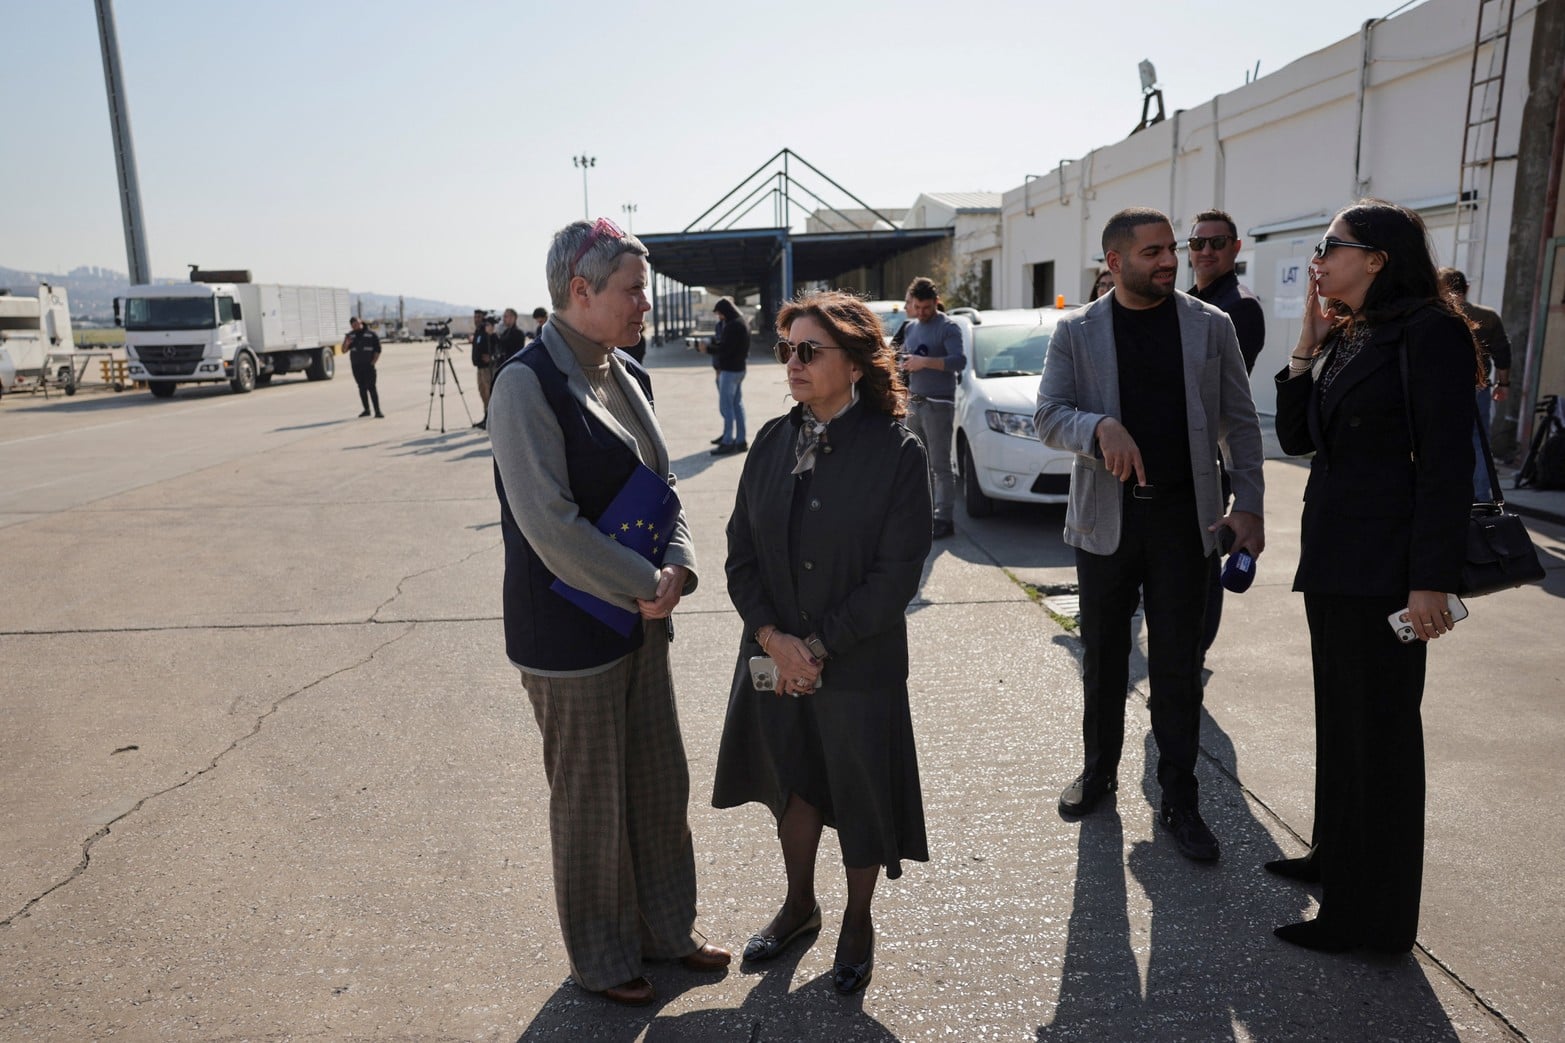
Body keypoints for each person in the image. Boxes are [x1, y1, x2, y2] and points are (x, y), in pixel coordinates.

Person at [488, 217, 730, 1006]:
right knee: (593, 804)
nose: (645, 305)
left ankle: (666, 931)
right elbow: (549, 526)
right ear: (579, 291)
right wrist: (640, 577)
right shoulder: (526, 385)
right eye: (632, 291)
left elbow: (662, 493)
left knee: (660, 785)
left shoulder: (626, 374)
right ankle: (601, 956)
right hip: (568, 634)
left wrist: (681, 565)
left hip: (641, 619)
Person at [1271, 200, 1480, 953]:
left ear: (1378, 258)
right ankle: (1334, 859)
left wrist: (1430, 580)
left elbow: (1445, 466)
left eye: (1330, 246)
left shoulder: (1431, 334)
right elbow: (1298, 437)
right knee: (1342, 723)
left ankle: (1373, 918)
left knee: (1381, 741)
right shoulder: (1356, 333)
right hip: (1333, 561)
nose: (1318, 259)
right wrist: (1306, 344)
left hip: (1388, 573)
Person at [712, 290, 932, 996]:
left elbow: (895, 574)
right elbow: (739, 553)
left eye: (809, 350)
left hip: (859, 664)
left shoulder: (897, 450)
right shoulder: (773, 442)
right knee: (793, 784)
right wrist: (775, 640)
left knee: (860, 794)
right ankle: (798, 903)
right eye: (786, 350)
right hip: (777, 658)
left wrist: (817, 647)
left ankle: (857, 916)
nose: (792, 364)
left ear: (857, 361)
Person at [1035, 206, 1265, 862]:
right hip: (1104, 523)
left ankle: (1179, 795)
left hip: (1183, 520)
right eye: (1152, 252)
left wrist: (1246, 502)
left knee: (1175, 666)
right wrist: (1098, 426)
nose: (1169, 261)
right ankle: (1099, 772)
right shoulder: (1076, 331)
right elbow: (1048, 416)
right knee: (1104, 659)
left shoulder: (1209, 325)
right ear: (1113, 262)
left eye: (1173, 249)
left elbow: (1239, 423)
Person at [1186, 209, 1267, 663]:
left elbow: (1230, 405)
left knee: (1204, 560)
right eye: (1198, 243)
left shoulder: (1237, 307)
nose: (1206, 252)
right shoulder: (1186, 300)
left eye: (1217, 243)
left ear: (1236, 248)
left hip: (1211, 453)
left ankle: (1194, 654)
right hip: (1183, 451)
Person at [1439, 267, 1513, 500]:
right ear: (1466, 288)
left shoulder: (1439, 314)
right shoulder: (1488, 316)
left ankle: (1446, 490)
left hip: (1444, 387)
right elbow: (1502, 352)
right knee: (1479, 440)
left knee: (1442, 437)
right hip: (1478, 385)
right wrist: (1503, 385)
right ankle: (1480, 494)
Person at [900, 276, 966, 538]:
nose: (921, 312)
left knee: (939, 465)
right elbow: (909, 359)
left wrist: (923, 363)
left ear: (936, 302)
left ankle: (944, 518)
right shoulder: (911, 327)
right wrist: (906, 366)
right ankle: (924, 513)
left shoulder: (948, 327)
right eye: (917, 307)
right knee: (917, 462)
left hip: (939, 404)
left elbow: (958, 361)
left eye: (926, 307)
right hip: (915, 401)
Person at [710, 297, 749, 455]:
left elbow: (725, 350)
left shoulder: (732, 326)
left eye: (720, 313)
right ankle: (740, 441)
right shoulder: (742, 322)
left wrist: (707, 349)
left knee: (727, 408)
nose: (719, 317)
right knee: (737, 405)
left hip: (729, 371)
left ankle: (727, 441)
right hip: (739, 370)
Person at [345, 316, 383, 418]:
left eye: (357, 323)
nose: (356, 326)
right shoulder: (350, 336)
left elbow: (378, 350)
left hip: (368, 366)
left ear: (361, 322)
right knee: (361, 388)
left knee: (372, 388)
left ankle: (377, 411)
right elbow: (344, 350)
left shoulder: (371, 334)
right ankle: (366, 410)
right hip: (356, 366)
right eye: (353, 325)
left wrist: (373, 363)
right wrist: (346, 343)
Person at [472, 315, 496, 429]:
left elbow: (498, 350)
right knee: (483, 393)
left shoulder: (492, 336)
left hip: (488, 369)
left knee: (489, 393)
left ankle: (491, 418)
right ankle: (486, 417)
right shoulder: (479, 333)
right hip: (480, 368)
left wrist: (492, 357)